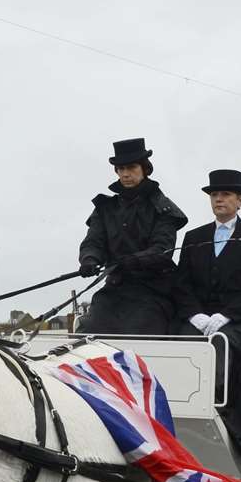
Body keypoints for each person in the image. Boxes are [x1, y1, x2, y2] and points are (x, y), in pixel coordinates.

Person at [173, 169, 241, 467]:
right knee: (175, 339)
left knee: (224, 344)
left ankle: (219, 415)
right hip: (200, 317)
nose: (219, 199)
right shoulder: (194, 237)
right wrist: (194, 315)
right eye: (214, 195)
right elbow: (182, 283)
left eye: (226, 195)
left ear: (240, 200)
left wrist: (226, 315)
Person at [75, 138, 188, 336]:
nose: (125, 174)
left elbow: (162, 249)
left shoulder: (164, 208)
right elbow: (93, 241)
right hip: (115, 289)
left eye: (131, 167)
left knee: (138, 332)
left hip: (154, 291)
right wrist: (89, 259)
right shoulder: (104, 208)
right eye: (120, 168)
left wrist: (134, 260)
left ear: (144, 168)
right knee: (88, 331)